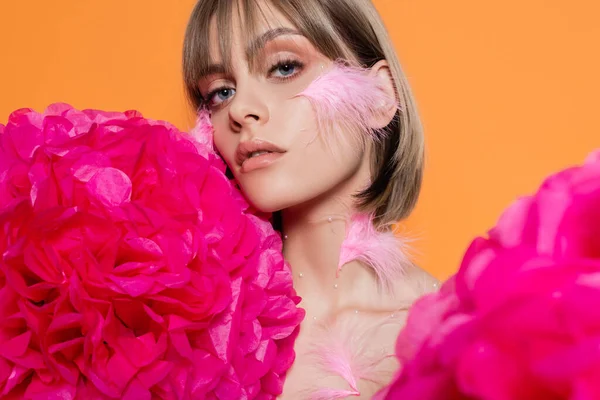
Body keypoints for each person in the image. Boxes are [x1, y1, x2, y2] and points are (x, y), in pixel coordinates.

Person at [182, 0, 438, 398]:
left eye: (285, 67)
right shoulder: (190, 331)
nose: (241, 110)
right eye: (221, 92)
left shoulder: (464, 330)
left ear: (381, 96)